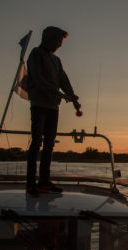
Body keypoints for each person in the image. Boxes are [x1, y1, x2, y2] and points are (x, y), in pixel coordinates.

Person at [26, 26, 81, 196]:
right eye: (58, 41)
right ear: (48, 38)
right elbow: (38, 79)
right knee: (36, 143)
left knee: (49, 144)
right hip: (39, 105)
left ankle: (44, 181)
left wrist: (73, 99)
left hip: (53, 106)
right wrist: (59, 93)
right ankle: (31, 183)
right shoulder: (36, 54)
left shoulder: (56, 61)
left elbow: (64, 80)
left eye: (61, 42)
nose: (59, 45)